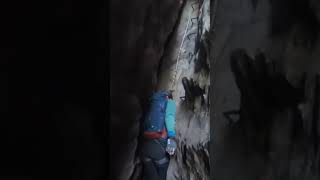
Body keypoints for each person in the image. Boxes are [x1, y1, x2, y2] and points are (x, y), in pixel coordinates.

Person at [141, 90, 177, 180]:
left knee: (151, 175)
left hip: (144, 149)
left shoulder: (152, 103)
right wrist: (171, 137)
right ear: (168, 97)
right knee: (162, 170)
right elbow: (170, 120)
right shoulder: (170, 103)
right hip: (158, 149)